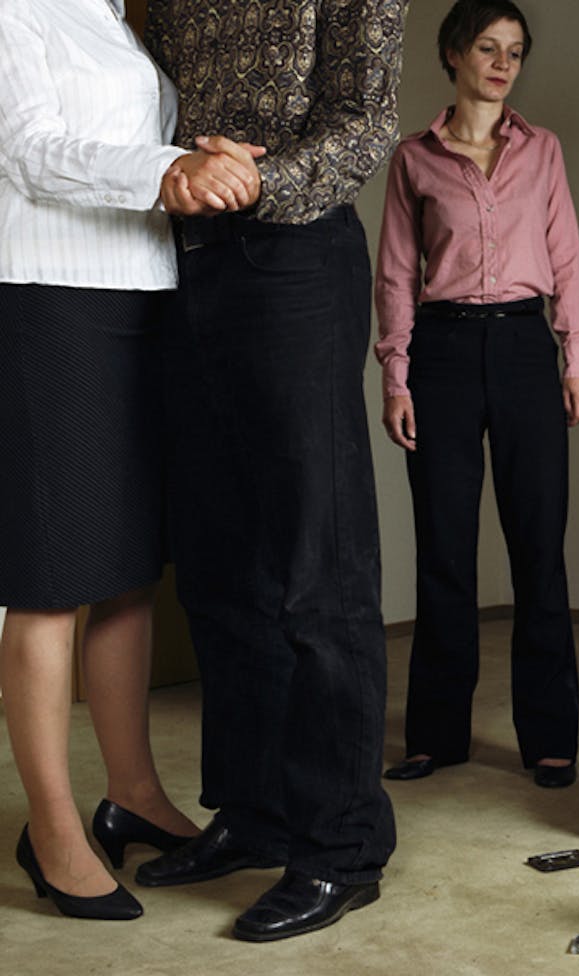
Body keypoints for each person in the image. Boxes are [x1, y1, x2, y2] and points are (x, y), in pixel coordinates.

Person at [131, 0, 409, 942]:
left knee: (315, 565)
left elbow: (365, 120)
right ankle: (255, 814)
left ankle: (342, 846)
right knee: (217, 565)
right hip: (181, 258)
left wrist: (256, 178)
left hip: (294, 254)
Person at [0, 0, 261, 921]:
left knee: (126, 572)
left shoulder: (114, 15)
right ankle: (52, 828)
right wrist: (167, 169)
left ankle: (134, 793)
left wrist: (206, 157)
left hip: (145, 292)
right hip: (49, 296)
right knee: (48, 579)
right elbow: (26, 148)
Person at [375, 0, 579, 789]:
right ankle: (436, 736)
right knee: (443, 546)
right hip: (441, 354)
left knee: (538, 546)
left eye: (515, 52)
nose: (503, 65)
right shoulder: (414, 159)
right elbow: (396, 274)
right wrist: (395, 375)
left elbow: (566, 256)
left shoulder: (543, 151)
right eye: (488, 48)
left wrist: (576, 357)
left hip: (527, 349)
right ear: (453, 55)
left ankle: (549, 738)